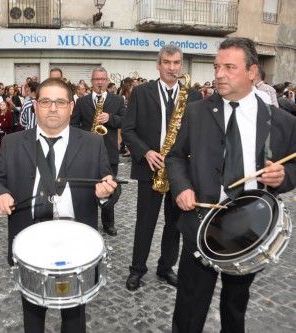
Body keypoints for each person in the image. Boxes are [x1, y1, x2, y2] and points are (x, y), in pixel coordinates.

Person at [166, 37, 296, 333]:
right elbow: (174, 157)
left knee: (236, 303)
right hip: (200, 221)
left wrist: (284, 176)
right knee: (189, 304)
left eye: (229, 67)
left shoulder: (280, 121)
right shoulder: (196, 112)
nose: (219, 74)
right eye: (216, 67)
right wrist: (182, 187)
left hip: (250, 227)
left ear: (252, 72)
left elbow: (293, 166)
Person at [0, 78, 120, 333]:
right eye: (46, 101)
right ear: (35, 105)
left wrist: (105, 193)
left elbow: (111, 185)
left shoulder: (93, 143)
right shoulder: (14, 143)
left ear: (71, 107)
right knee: (33, 314)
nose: (53, 108)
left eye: (60, 102)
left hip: (77, 243)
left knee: (75, 316)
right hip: (29, 240)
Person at [121, 44, 202, 291]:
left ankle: (166, 267)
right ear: (158, 65)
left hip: (181, 172)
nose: (172, 67)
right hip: (151, 167)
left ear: (182, 65)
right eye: (167, 62)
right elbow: (128, 130)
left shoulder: (194, 96)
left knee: (175, 224)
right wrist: (145, 152)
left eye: (177, 63)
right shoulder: (141, 92)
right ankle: (137, 269)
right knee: (145, 222)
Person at [71, 67, 125, 236]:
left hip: (109, 152)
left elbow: (126, 121)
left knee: (109, 188)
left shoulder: (117, 100)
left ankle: (108, 223)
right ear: (92, 81)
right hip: (86, 153)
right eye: (96, 79)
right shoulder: (82, 102)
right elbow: (73, 125)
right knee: (87, 189)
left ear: (107, 80)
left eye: (103, 79)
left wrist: (111, 118)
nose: (100, 82)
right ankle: (88, 222)